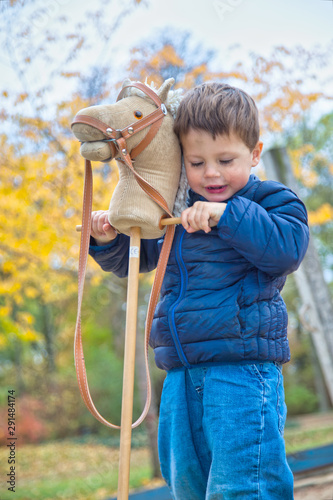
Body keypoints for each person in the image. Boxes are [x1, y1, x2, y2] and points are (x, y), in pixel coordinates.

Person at [88, 83, 309, 499]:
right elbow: (138, 258)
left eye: (226, 160)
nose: (211, 173)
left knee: (244, 483)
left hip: (241, 370)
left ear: (255, 153)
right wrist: (109, 240)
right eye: (196, 161)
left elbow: (287, 250)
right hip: (180, 373)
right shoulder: (176, 211)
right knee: (187, 483)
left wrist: (228, 215)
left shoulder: (271, 202)